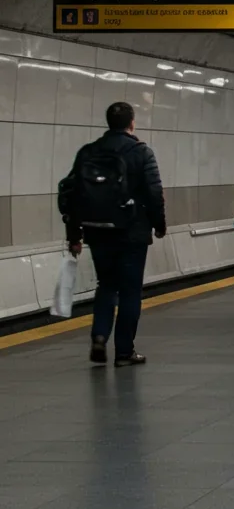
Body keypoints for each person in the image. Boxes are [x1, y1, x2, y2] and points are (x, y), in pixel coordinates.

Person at [61, 102, 166, 366]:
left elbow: (72, 195)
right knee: (130, 290)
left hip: (97, 230)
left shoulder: (88, 152)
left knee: (106, 285)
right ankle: (124, 352)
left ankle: (99, 336)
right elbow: (154, 193)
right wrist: (159, 224)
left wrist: (74, 236)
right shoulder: (141, 153)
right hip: (132, 232)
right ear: (132, 123)